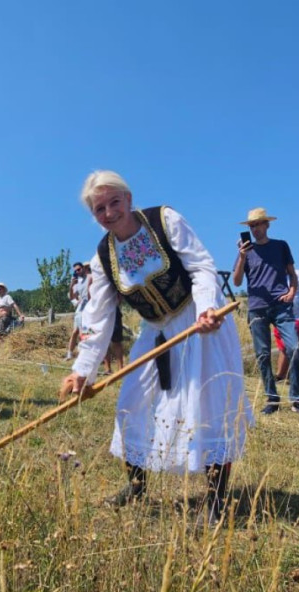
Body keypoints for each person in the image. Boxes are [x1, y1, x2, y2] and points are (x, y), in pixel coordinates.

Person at [60, 171, 251, 523]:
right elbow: (99, 317)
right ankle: (136, 485)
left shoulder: (164, 221)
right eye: (99, 208)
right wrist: (82, 371)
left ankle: (215, 501)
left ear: (128, 200)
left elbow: (202, 267)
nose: (109, 213)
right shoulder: (103, 257)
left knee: (208, 406)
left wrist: (209, 307)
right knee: (131, 402)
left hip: (198, 320)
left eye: (114, 202)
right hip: (156, 330)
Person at [232, 208, 299, 415]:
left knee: (295, 349)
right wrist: (242, 257)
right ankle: (272, 399)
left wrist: (292, 292)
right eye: (251, 226)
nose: (255, 229)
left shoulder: (281, 246)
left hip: (281, 307)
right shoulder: (245, 251)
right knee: (262, 355)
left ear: (267, 225)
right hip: (257, 308)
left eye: (258, 224)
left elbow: (292, 274)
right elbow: (236, 282)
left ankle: (297, 399)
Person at [65, 262, 91, 360]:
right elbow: (71, 297)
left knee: (84, 332)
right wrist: (72, 284)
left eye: (79, 269)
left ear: (84, 268)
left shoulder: (90, 278)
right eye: (75, 271)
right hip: (80, 310)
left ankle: (84, 355)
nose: (77, 272)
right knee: (75, 332)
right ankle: (69, 354)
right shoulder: (78, 282)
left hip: (89, 309)